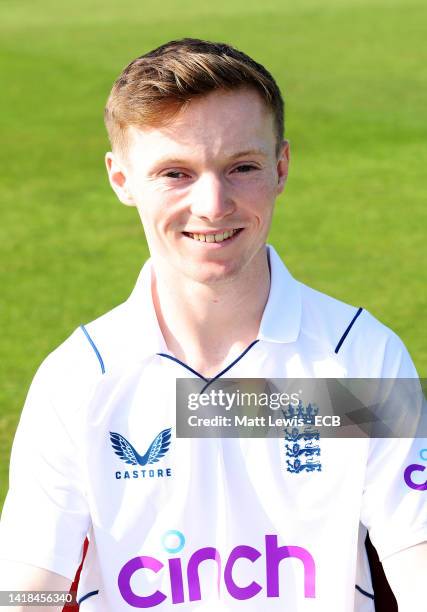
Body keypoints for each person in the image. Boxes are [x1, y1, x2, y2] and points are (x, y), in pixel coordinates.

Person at [0, 38, 425, 612]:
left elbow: (416, 551)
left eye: (241, 167)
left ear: (281, 167)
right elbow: (30, 585)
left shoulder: (358, 359)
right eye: (175, 172)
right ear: (121, 179)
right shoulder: (80, 380)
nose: (213, 203)